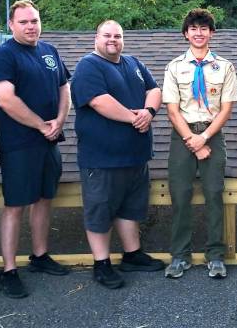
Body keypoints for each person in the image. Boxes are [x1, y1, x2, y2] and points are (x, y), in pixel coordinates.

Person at [70, 20, 165, 289]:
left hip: (135, 155)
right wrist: (135, 118)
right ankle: (101, 264)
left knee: (130, 207)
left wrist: (149, 112)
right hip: (102, 158)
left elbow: (154, 89)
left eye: (118, 36)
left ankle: (132, 255)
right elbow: (99, 101)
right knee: (100, 210)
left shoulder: (133, 62)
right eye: (107, 35)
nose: (113, 40)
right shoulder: (88, 65)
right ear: (96, 38)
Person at [0, 0, 71, 298]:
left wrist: (60, 120)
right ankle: (9, 270)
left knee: (44, 199)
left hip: (50, 140)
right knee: (15, 206)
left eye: (34, 20)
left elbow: (64, 87)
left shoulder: (49, 51)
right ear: (11, 25)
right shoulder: (3, 56)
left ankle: (40, 256)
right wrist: (40, 125)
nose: (31, 26)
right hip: (20, 145)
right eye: (23, 22)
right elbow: (5, 99)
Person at [162, 8, 237, 280]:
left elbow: (226, 109)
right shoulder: (174, 67)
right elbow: (172, 110)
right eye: (193, 28)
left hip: (212, 134)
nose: (198, 33)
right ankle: (180, 256)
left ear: (212, 33)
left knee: (214, 194)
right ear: (186, 34)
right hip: (182, 134)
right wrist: (192, 141)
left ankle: (215, 255)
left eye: (204, 28)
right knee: (180, 195)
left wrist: (204, 138)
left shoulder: (225, 67)